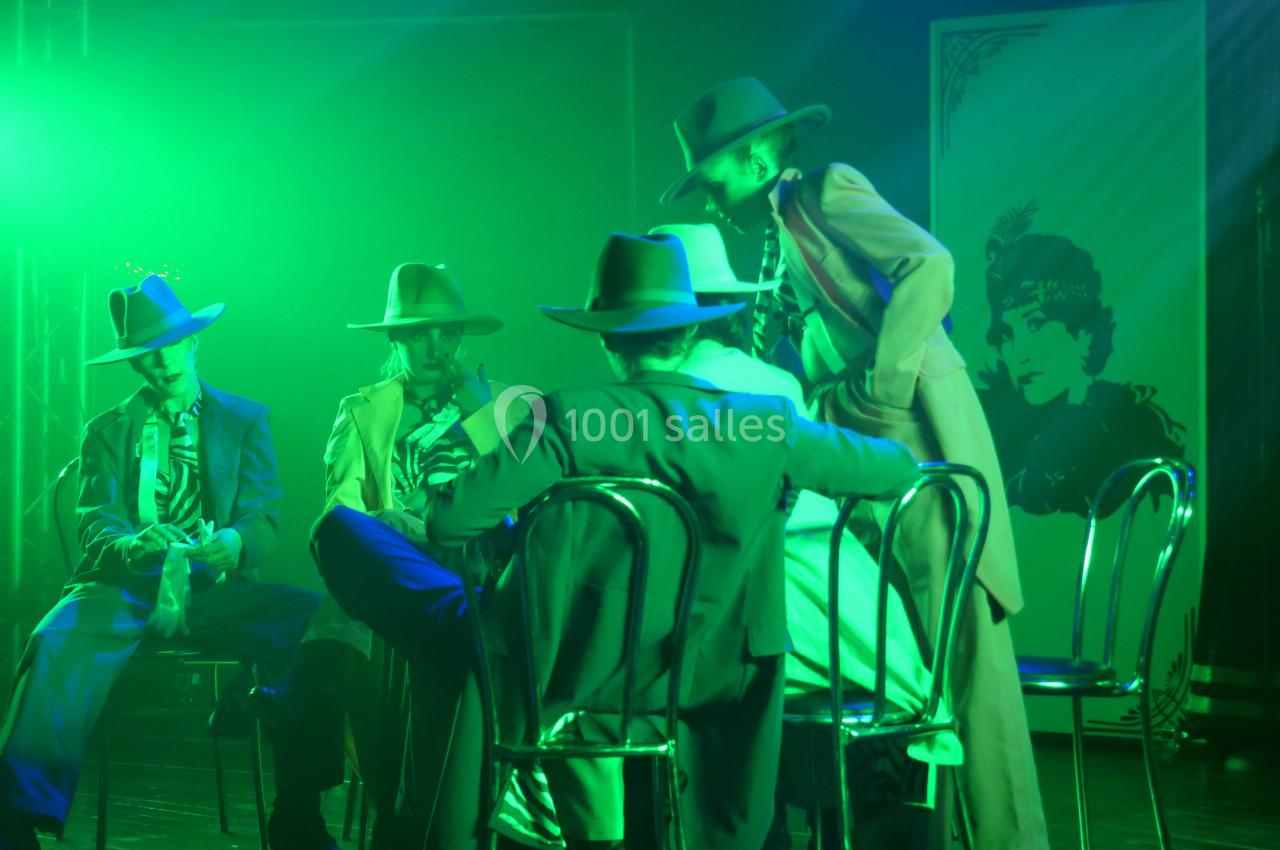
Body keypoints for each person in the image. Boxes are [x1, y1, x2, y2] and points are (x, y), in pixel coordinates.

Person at [311, 232, 921, 850]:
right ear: (686, 335)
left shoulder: (565, 418)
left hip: (570, 668)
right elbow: (898, 470)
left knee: (343, 534)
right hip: (709, 675)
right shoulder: (765, 422)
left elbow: (448, 523)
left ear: (604, 337)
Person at [664, 77, 1048, 849]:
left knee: (964, 659)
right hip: (865, 459)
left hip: (914, 443)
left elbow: (929, 265)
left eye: (713, 180)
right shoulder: (774, 235)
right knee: (909, 661)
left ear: (757, 152)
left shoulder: (825, 191)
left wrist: (881, 385)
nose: (709, 201)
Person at [652, 223, 959, 847]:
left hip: (738, 612)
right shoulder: (768, 385)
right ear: (727, 310)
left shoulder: (635, 402)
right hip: (838, 604)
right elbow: (879, 470)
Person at [0, 275, 326, 850]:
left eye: (173, 345)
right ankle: (14, 817)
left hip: (216, 588)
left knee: (318, 625)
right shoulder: (107, 430)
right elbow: (96, 521)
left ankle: (297, 808)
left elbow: (264, 516)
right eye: (148, 353)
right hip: (123, 586)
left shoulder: (245, 420)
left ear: (194, 343)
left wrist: (236, 541)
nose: (163, 361)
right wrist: (133, 544)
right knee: (53, 639)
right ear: (135, 364)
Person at [300, 262, 510, 849]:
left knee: (344, 635)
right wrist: (393, 526)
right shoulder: (365, 410)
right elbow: (339, 512)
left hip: (480, 572)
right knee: (354, 629)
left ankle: (305, 703)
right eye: (420, 333)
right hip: (397, 569)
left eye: (446, 333)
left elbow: (525, 500)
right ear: (397, 338)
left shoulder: (499, 405)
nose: (435, 346)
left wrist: (480, 407)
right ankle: (391, 798)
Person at [979, 203, 1186, 516]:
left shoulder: (1140, 430)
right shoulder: (988, 430)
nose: (1017, 353)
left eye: (1035, 324)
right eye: (1006, 335)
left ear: (1086, 332)